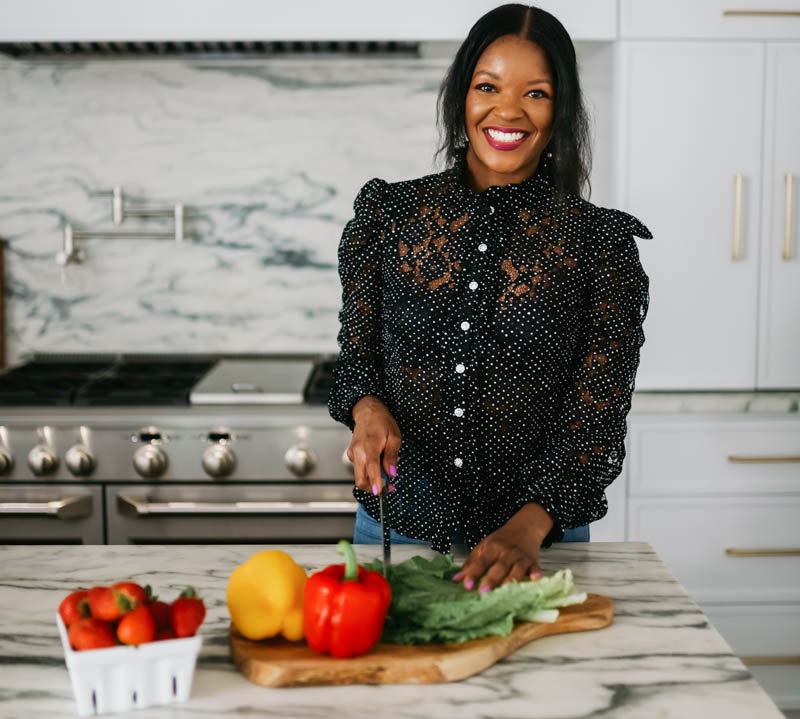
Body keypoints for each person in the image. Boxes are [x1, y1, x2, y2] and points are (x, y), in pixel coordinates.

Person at [328, 3, 652, 593]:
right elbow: (357, 358)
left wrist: (527, 528)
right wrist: (367, 407)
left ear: (560, 112)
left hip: (536, 539)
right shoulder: (387, 216)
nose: (507, 110)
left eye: (536, 93)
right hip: (398, 528)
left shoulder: (602, 245)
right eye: (488, 86)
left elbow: (595, 421)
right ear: (462, 98)